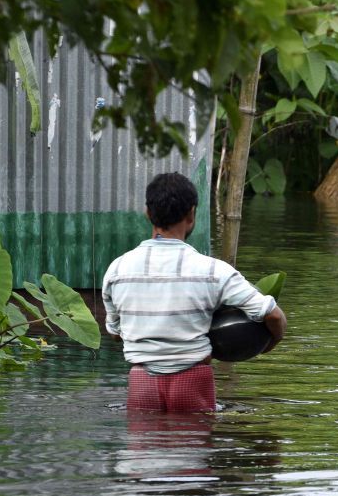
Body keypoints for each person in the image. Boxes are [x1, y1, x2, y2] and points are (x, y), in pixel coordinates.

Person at [103, 172, 286, 413]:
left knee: (143, 450)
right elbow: (273, 316)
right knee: (193, 446)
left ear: (148, 213)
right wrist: (266, 344)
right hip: (192, 382)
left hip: (142, 384)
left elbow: (116, 334)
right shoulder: (213, 271)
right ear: (191, 214)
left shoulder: (117, 270)